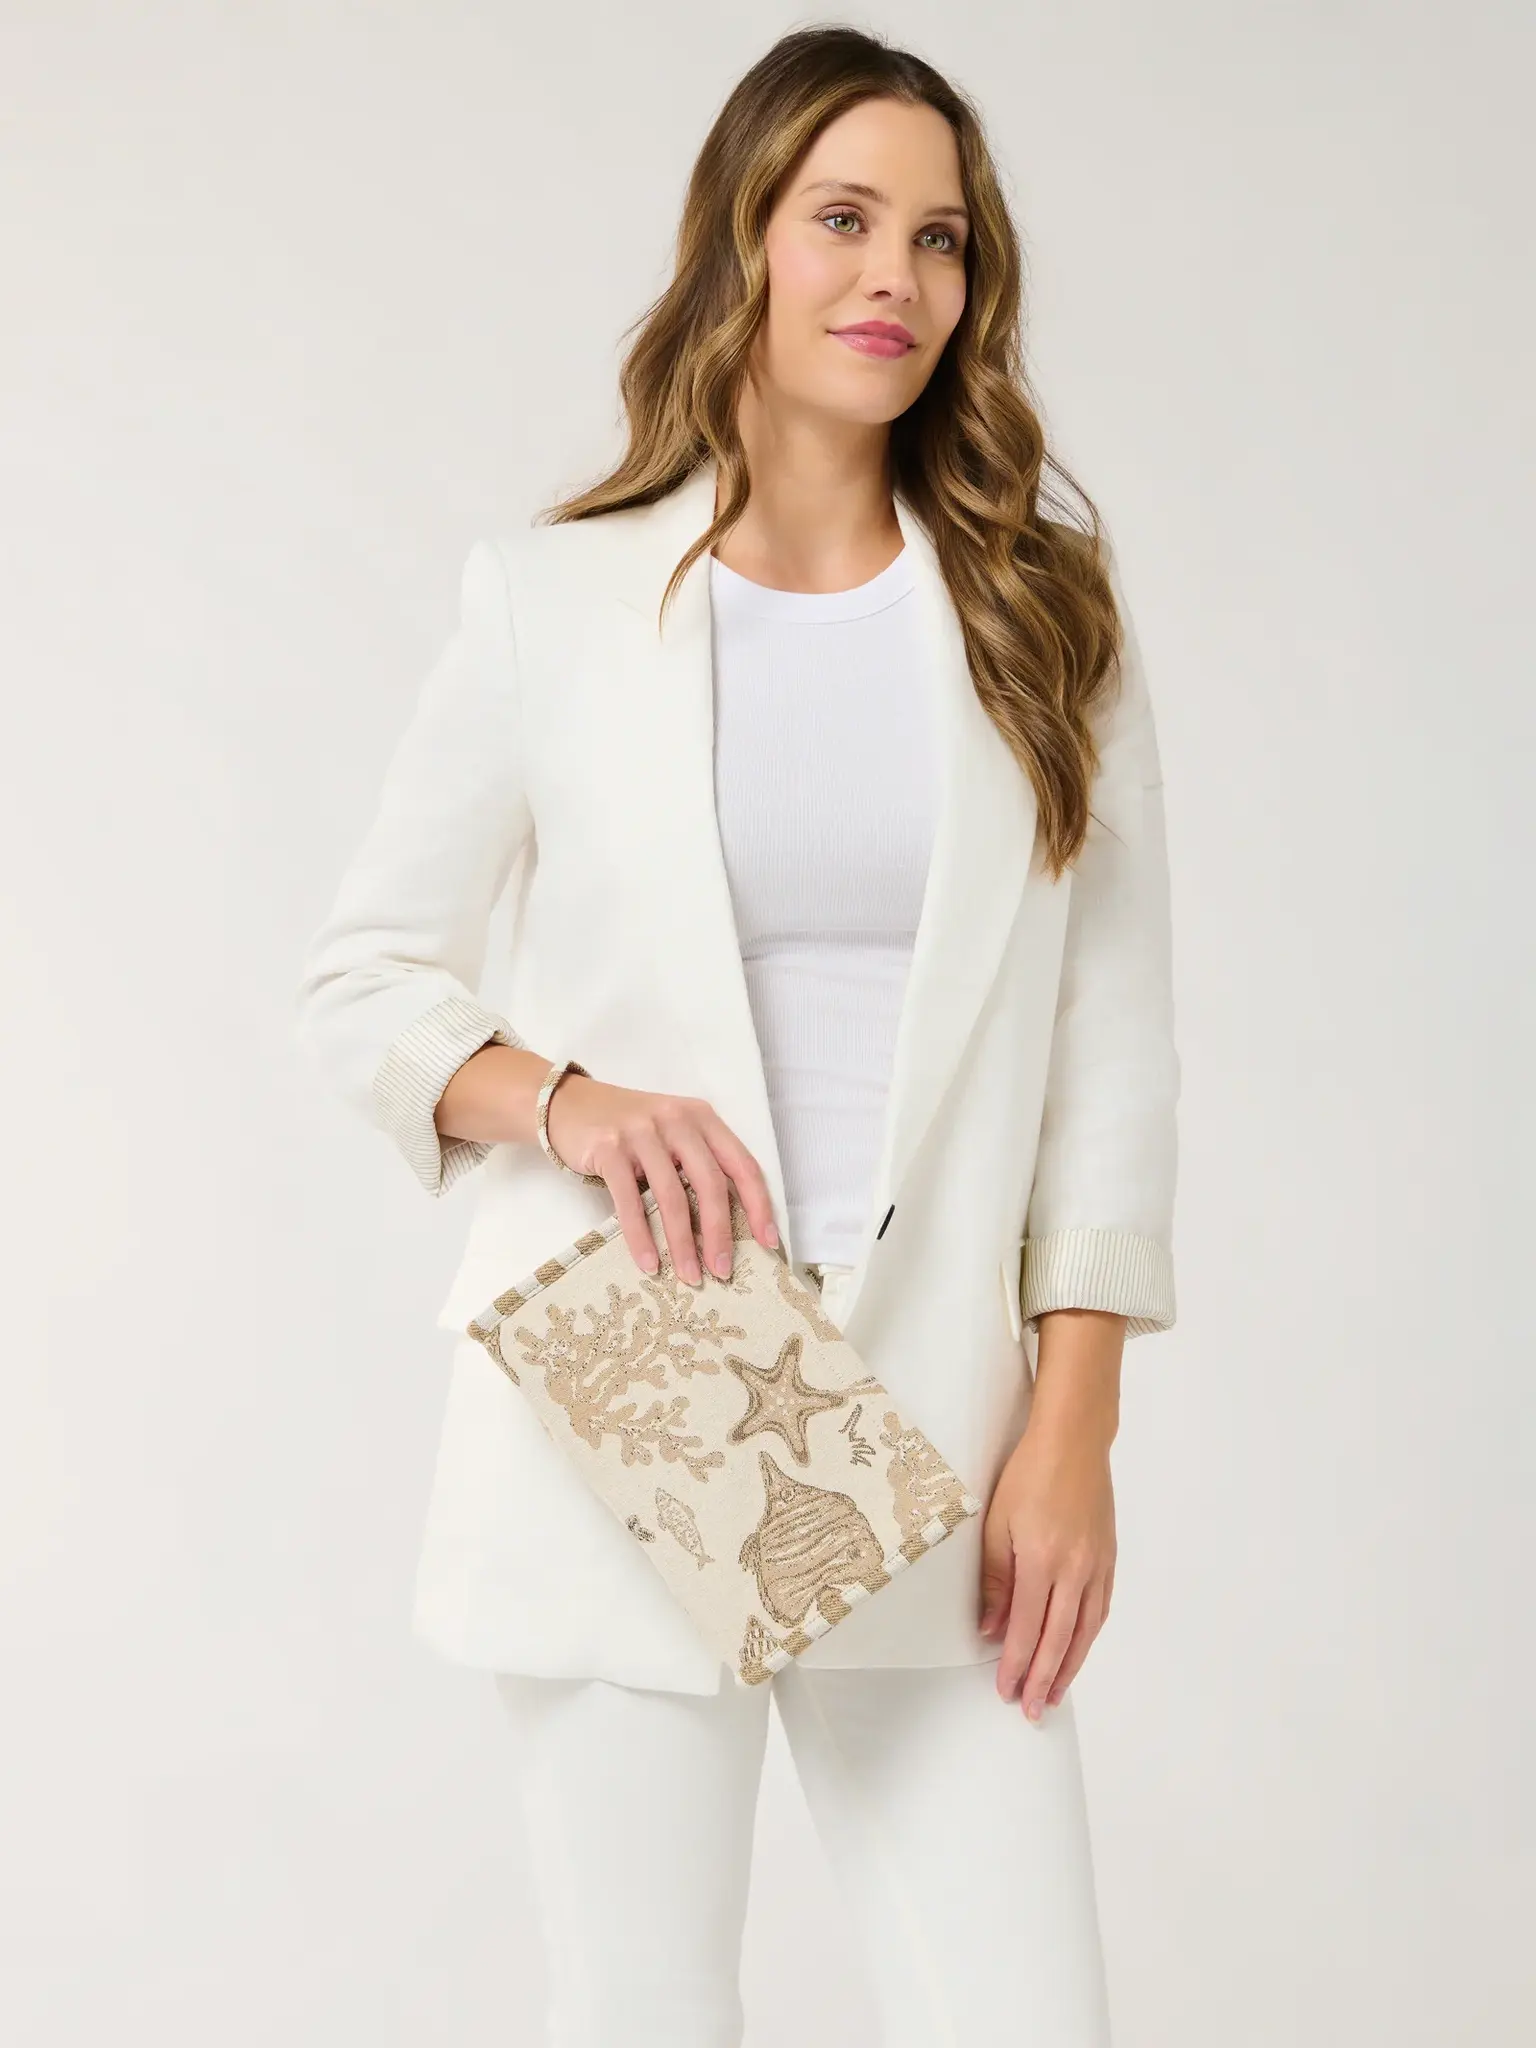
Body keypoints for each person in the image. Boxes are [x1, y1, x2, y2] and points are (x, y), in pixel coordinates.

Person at [294, 24, 1179, 2046]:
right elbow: (366, 981)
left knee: (1026, 2015)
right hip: (644, 1361)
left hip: (940, 1408)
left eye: (941, 237)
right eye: (843, 219)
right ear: (745, 242)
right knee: (647, 2015)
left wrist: (1076, 1430)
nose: (896, 277)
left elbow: (1113, 1058)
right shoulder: (555, 601)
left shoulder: (1046, 616)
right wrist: (570, 1100)